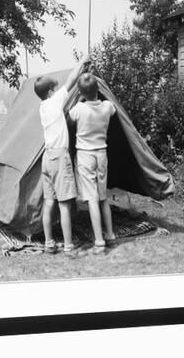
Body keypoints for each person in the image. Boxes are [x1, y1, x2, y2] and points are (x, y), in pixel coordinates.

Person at [34, 58, 87, 255]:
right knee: (64, 204)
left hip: (47, 158)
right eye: (54, 89)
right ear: (49, 93)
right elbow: (72, 80)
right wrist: (82, 61)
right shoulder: (55, 101)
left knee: (49, 202)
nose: (57, 92)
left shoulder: (42, 108)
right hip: (59, 157)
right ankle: (68, 246)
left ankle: (49, 243)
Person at [68, 72, 117, 254]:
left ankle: (99, 242)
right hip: (101, 154)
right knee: (102, 196)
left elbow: (68, 120)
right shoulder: (107, 107)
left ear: (80, 92)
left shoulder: (79, 109)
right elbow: (112, 107)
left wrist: (80, 97)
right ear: (98, 89)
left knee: (91, 199)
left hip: (85, 155)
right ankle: (110, 235)